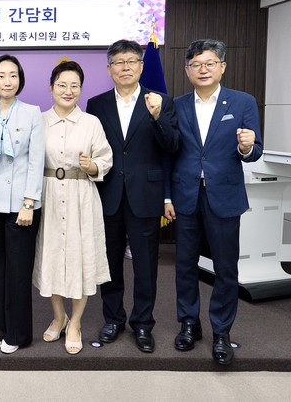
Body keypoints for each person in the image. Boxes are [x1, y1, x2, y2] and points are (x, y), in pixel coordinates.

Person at [164, 39, 262, 365]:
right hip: (185, 196)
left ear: (222, 66)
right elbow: (168, 155)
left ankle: (221, 331)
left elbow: (254, 151)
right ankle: (189, 324)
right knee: (185, 266)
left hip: (224, 196)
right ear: (187, 70)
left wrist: (247, 147)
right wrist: (167, 195)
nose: (203, 69)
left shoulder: (243, 102)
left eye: (209, 63)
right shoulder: (176, 106)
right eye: (196, 64)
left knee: (225, 268)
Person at [86, 39, 179, 353]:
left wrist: (158, 117)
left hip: (146, 195)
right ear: (109, 69)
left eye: (131, 62)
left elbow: (172, 146)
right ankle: (113, 319)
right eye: (119, 62)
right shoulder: (97, 104)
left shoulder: (161, 100)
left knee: (145, 265)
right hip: (108, 194)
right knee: (109, 262)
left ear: (141, 66)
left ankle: (143, 324)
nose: (125, 67)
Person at [33, 61, 113, 355]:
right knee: (52, 257)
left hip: (81, 196)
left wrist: (92, 166)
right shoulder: (38, 121)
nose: (68, 91)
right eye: (62, 85)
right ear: (51, 88)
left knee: (81, 259)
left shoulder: (91, 123)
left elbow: (105, 158)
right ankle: (59, 317)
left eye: (74, 86)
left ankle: (76, 322)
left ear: (81, 89)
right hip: (49, 196)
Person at [0, 54, 45, 354]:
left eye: (13, 75)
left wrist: (29, 202)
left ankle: (17, 333)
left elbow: (37, 160)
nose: (7, 81)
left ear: (20, 79)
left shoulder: (32, 113)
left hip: (22, 205)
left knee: (18, 271)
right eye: (1, 75)